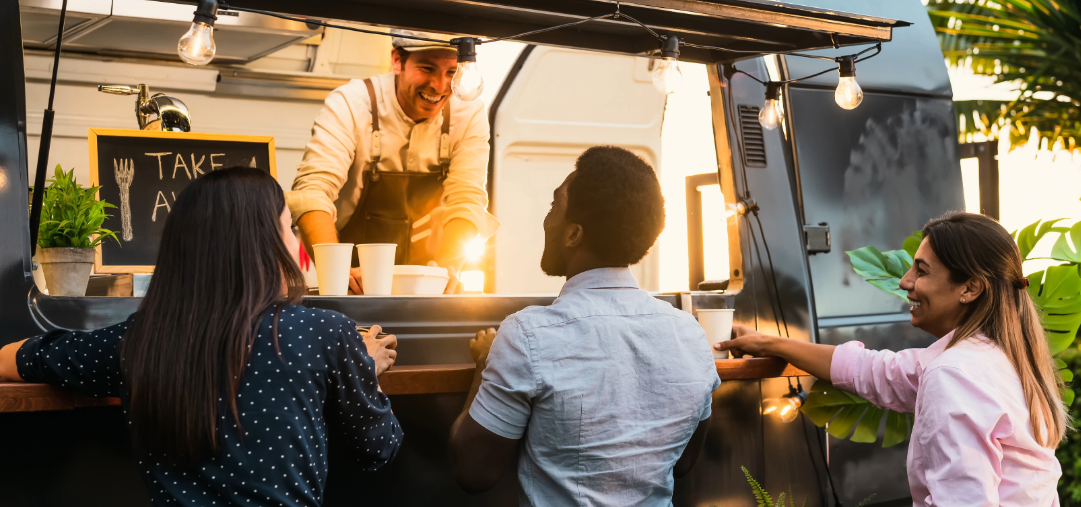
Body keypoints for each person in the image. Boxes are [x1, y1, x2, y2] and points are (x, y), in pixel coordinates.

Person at [0, 167, 402, 506]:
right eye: (289, 227)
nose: (295, 243)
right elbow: (377, 449)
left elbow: (12, 359)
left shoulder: (138, 339)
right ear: (263, 243)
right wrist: (362, 367)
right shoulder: (325, 332)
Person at [717, 211, 1066, 507]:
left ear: (970, 288)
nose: (904, 281)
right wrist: (769, 343)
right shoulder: (1000, 355)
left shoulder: (955, 374)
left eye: (922, 271)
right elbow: (872, 371)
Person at [448, 146, 721, 505]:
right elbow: (683, 462)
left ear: (573, 234)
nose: (546, 220)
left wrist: (485, 363)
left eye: (553, 207)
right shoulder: (690, 335)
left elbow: (474, 473)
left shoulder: (528, 336)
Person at [288, 30, 498, 293]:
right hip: (352, 279)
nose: (439, 85)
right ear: (397, 61)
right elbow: (313, 192)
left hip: (427, 280)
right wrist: (337, 274)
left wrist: (447, 271)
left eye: (451, 72)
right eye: (427, 68)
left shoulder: (470, 112)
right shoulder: (352, 103)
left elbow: (465, 199)